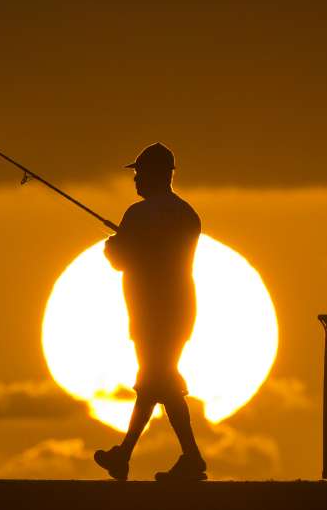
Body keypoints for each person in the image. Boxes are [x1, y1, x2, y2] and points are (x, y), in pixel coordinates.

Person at [93, 143, 207, 482]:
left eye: (140, 173)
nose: (136, 180)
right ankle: (128, 456)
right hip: (182, 308)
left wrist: (112, 244)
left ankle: (188, 458)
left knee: (158, 381)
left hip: (150, 312)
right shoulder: (188, 214)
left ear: (157, 174)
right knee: (156, 380)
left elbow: (119, 260)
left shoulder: (139, 214)